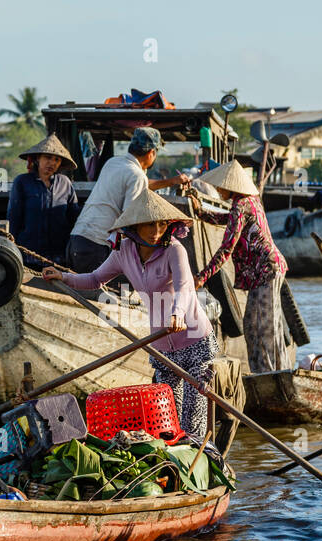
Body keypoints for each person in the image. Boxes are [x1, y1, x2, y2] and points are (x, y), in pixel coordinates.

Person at [43, 189, 217, 441]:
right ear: (135, 226)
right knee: (168, 420)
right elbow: (94, 279)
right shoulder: (123, 251)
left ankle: (199, 460)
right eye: (149, 224)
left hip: (193, 340)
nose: (156, 230)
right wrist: (64, 277)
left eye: (161, 223)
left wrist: (178, 314)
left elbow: (184, 288)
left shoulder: (174, 250)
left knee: (192, 421)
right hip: (161, 345)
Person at [191, 159, 293, 373]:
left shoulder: (241, 204)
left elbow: (227, 248)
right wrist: (201, 213)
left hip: (266, 270)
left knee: (264, 329)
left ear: (231, 186)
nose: (218, 191)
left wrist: (203, 276)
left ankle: (272, 376)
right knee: (253, 326)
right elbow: (228, 220)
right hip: (265, 271)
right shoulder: (249, 201)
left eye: (221, 187)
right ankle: (265, 373)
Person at [67, 126, 191, 273]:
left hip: (76, 239)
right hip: (97, 245)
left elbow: (141, 182)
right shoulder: (136, 175)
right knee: (96, 292)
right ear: (151, 153)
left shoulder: (113, 163)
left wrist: (172, 181)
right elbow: (129, 219)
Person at [8, 134, 79, 268]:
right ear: (37, 159)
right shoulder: (22, 182)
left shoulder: (65, 183)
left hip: (60, 256)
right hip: (28, 255)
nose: (52, 163)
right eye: (48, 158)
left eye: (56, 160)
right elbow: (14, 218)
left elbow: (74, 218)